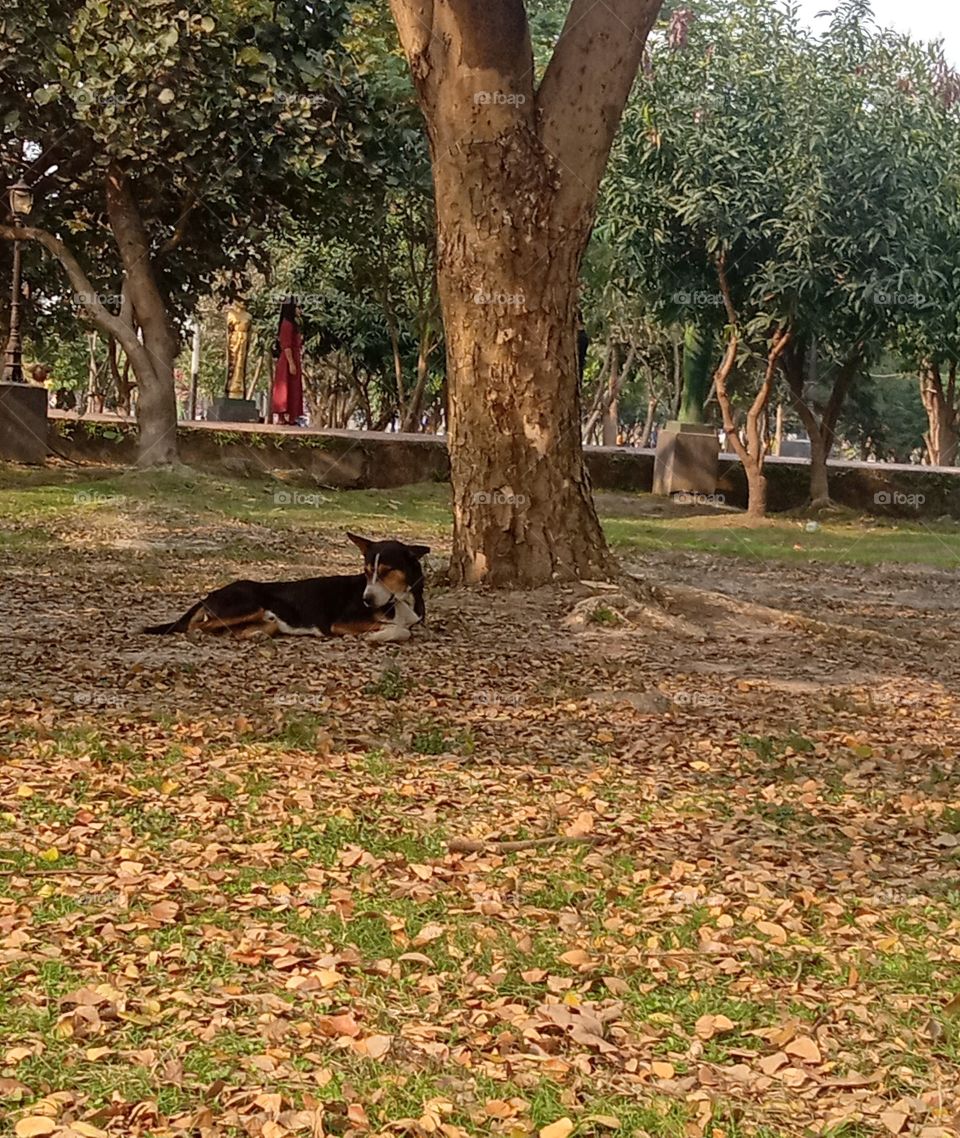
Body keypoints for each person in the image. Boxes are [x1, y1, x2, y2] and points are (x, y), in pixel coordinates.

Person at [270, 297, 304, 425]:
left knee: (293, 387)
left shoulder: (294, 324)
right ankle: (281, 416)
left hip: (294, 358)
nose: (299, 310)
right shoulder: (287, 324)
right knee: (285, 387)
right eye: (297, 307)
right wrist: (291, 363)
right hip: (287, 359)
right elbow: (286, 346)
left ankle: (291, 417)